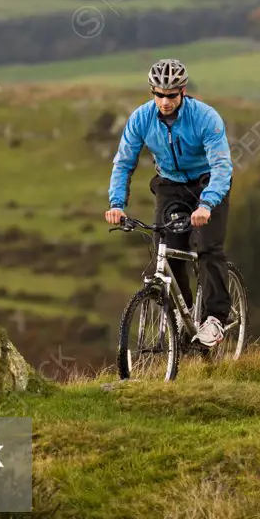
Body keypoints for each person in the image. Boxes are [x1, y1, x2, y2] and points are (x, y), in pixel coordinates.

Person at [105, 58, 233, 348]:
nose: (164, 101)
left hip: (207, 181)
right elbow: (124, 162)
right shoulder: (140, 118)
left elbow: (222, 166)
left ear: (183, 91)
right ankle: (181, 314)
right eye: (159, 94)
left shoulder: (205, 117)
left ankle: (215, 318)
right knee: (170, 251)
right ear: (152, 92)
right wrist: (116, 204)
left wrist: (206, 205)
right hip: (170, 185)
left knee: (209, 248)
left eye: (171, 95)